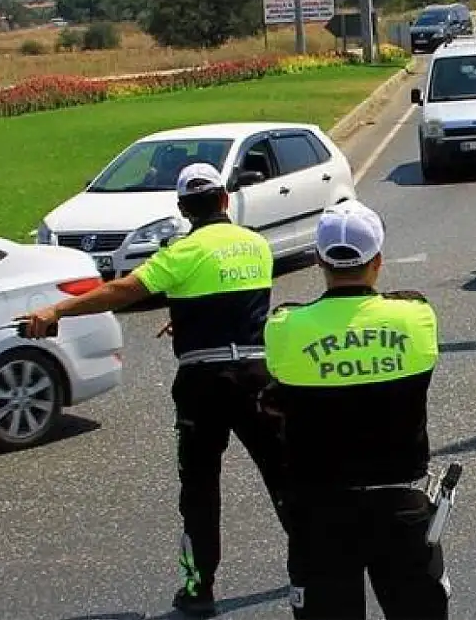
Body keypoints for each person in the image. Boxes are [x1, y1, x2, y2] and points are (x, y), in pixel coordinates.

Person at [18, 162, 287, 618]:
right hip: (258, 378)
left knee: (200, 490)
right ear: (224, 200)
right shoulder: (257, 245)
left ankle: (199, 589)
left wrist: (58, 311)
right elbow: (236, 299)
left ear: (184, 208)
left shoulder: (182, 253)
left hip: (203, 384)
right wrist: (187, 318)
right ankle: (313, 567)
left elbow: (124, 290)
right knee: (284, 477)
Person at [259, 200, 450, 619]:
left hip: (321, 512)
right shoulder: (415, 317)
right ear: (377, 260)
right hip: (401, 504)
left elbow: (276, 383)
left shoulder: (284, 326)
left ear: (317, 260)